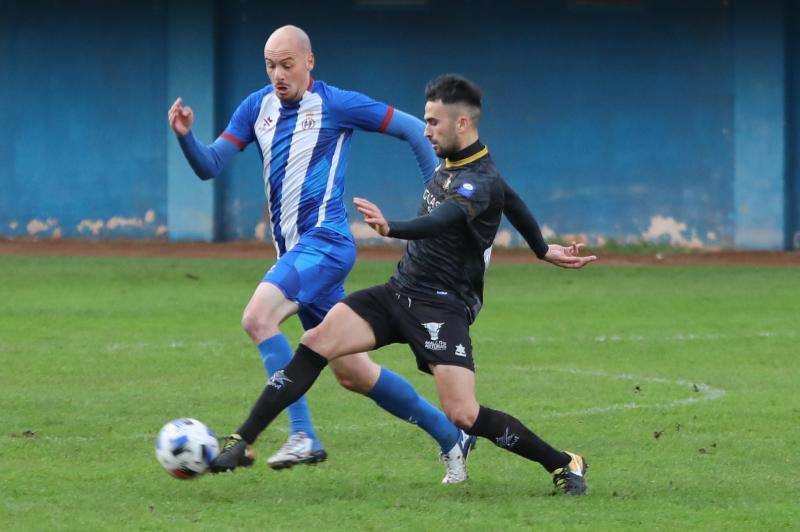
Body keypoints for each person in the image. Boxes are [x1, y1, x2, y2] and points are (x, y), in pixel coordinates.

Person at [210, 74, 598, 496]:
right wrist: (542, 249)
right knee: (316, 341)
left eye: (433, 122)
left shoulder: (478, 181)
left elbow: (444, 219)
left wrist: (391, 227)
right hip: (398, 292)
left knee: (464, 413)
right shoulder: (458, 166)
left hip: (442, 308)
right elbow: (516, 202)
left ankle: (563, 462)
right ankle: (241, 441)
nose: (426, 130)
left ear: (462, 125)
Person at [168, 25, 481, 483]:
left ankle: (303, 435)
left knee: (258, 318)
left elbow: (414, 130)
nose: (278, 73)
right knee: (353, 373)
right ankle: (451, 436)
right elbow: (210, 165)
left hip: (326, 243)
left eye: (287, 64)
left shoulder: (337, 104)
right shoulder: (256, 107)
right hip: (300, 255)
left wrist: (440, 195)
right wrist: (185, 137)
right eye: (271, 65)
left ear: (309, 62)